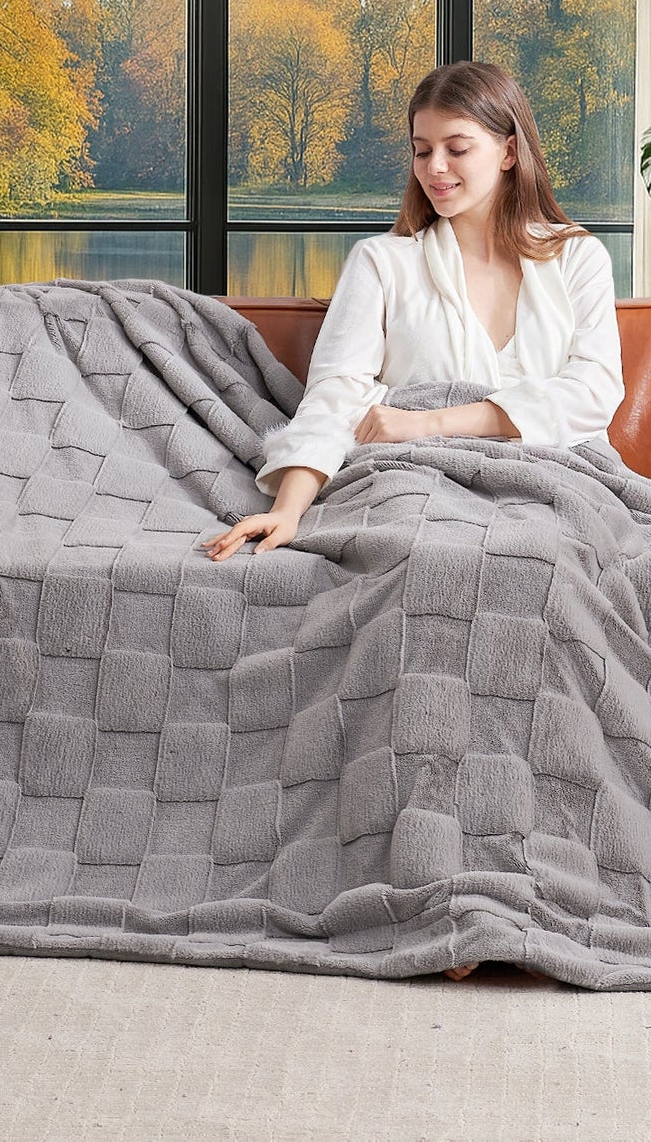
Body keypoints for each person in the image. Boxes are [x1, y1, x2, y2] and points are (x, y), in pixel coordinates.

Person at [199, 59, 626, 981]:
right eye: (422, 150)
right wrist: (288, 505)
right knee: (433, 576)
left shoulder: (578, 256)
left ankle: (522, 880)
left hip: (547, 477)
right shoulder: (383, 262)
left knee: (534, 571)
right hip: (410, 480)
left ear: (509, 150)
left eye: (458, 148)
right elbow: (339, 394)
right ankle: (437, 884)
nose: (436, 168)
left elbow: (591, 395)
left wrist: (434, 416)